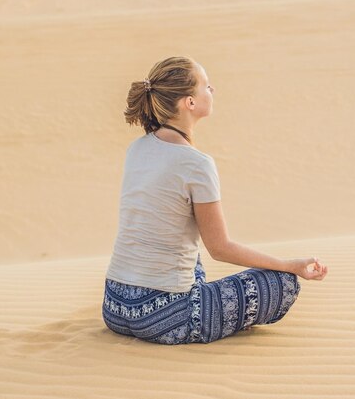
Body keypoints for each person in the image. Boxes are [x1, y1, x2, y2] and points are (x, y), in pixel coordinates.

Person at [102, 56, 328, 345]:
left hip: (116, 307)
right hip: (163, 318)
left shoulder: (136, 149)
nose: (213, 90)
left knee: (190, 254)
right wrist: (289, 265)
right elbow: (220, 248)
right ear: (189, 103)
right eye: (206, 86)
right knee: (281, 283)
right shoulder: (196, 163)